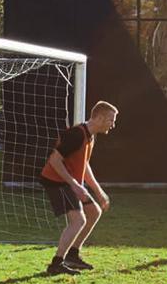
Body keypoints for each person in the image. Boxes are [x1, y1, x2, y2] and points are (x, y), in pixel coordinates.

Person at [39, 100, 118, 275]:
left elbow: (85, 166)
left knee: (94, 212)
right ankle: (56, 263)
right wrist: (74, 185)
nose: (113, 125)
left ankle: (72, 255)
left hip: (68, 182)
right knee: (78, 220)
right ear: (98, 117)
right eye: (111, 120)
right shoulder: (76, 134)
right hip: (55, 180)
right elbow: (54, 160)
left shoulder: (90, 136)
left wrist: (98, 191)